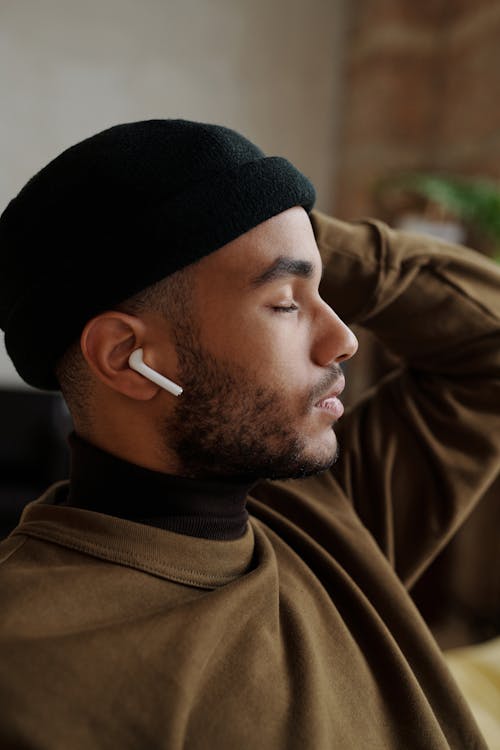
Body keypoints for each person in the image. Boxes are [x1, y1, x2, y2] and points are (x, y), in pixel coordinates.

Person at [0, 120, 498, 750]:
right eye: (288, 303)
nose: (343, 339)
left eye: (324, 290)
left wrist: (277, 225)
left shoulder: (319, 516)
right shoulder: (27, 668)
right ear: (128, 356)